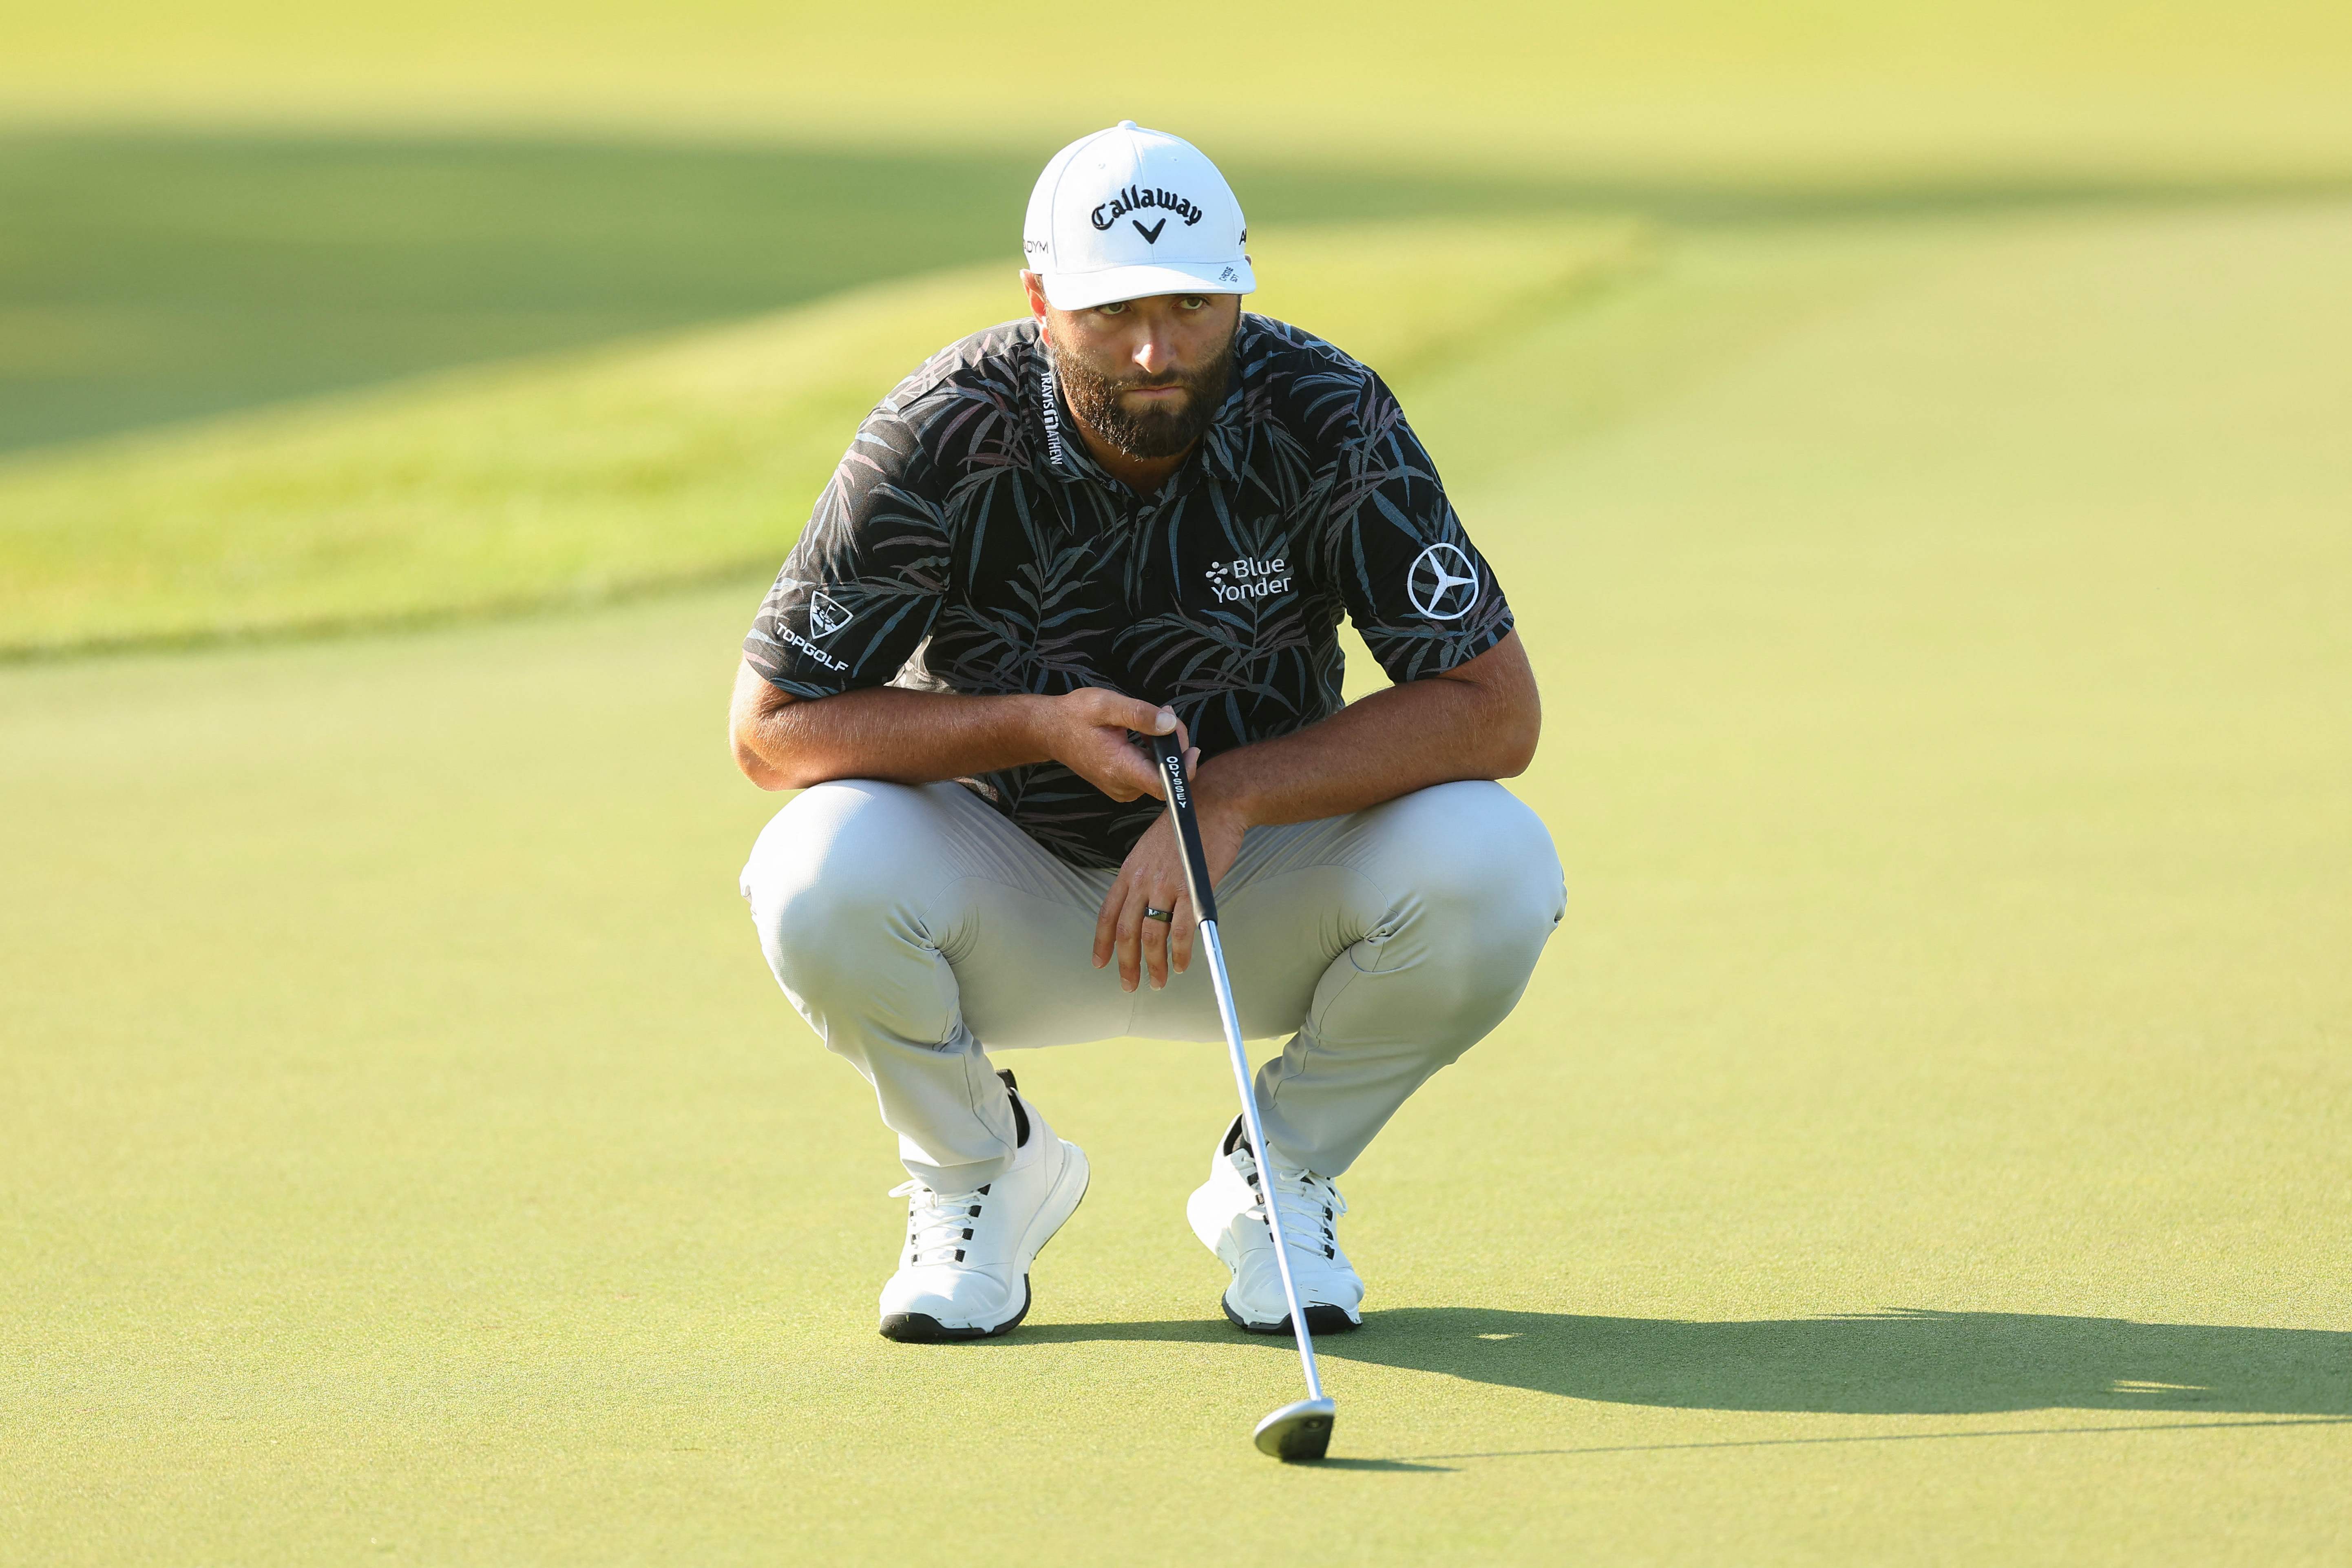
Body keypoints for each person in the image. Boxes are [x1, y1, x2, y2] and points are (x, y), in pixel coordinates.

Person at [731, 121, 1563, 1344]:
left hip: (1253, 891)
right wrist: (1033, 727)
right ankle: (979, 1169)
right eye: (1112, 312)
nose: (1156, 351)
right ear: (1041, 303)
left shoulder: (1323, 412)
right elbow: (771, 731)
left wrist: (1230, 795)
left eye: (1191, 306)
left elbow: (1496, 707)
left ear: (1239, 292)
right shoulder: (942, 431)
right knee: (815, 872)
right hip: (1000, 892)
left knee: (1497, 862)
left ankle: (1279, 1176)